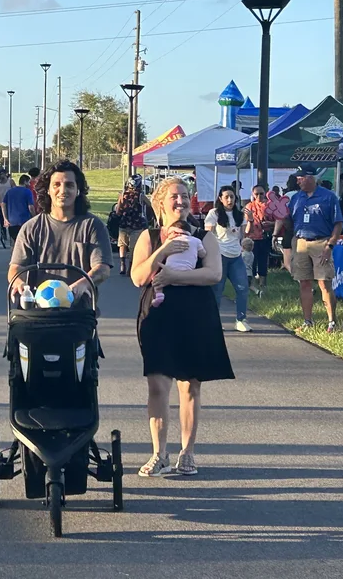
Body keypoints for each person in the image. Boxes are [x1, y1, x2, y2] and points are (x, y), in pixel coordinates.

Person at [130, 177, 232, 478]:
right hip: (158, 313)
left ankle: (187, 452)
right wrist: (163, 251)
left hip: (196, 312)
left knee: (190, 385)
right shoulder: (149, 236)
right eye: (174, 196)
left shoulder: (205, 235)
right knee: (158, 384)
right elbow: (138, 276)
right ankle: (158, 454)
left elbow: (213, 273)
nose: (181, 202)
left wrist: (173, 276)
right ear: (160, 202)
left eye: (186, 196)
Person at [7, 159, 111, 305]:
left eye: (69, 185)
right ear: (48, 190)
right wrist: (19, 283)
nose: (63, 190)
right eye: (56, 185)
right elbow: (16, 267)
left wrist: (83, 283)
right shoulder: (31, 227)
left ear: (78, 190)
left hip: (78, 309)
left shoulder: (93, 226)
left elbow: (102, 269)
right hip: (37, 312)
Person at [280, 167, 343, 332]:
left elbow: (338, 223)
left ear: (311, 177)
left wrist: (330, 245)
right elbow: (290, 220)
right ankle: (307, 321)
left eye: (301, 177)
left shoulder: (328, 197)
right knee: (304, 282)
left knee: (324, 282)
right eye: (297, 178)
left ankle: (332, 322)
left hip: (321, 241)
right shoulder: (296, 198)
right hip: (301, 242)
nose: (298, 180)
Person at [205, 186, 250, 333]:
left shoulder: (240, 215)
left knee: (243, 288)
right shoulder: (214, 213)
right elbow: (208, 235)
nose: (229, 200)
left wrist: (251, 222)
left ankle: (241, 320)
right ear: (220, 198)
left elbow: (243, 236)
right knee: (217, 290)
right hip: (220, 255)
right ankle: (214, 321)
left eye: (232, 196)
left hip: (236, 256)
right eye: (226, 197)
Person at [242, 185, 273, 295]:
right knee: (252, 261)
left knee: (263, 260)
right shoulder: (249, 206)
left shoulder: (270, 206)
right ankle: (253, 284)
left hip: (265, 236)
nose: (259, 196)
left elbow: (278, 221)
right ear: (253, 195)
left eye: (261, 193)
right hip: (252, 238)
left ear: (265, 193)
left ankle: (263, 283)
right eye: (256, 194)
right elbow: (245, 224)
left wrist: (271, 224)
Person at [114, 183, 150, 276]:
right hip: (136, 224)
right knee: (133, 247)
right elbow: (150, 205)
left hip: (124, 223)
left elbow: (118, 210)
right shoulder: (141, 196)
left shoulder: (122, 195)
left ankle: (122, 265)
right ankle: (130, 267)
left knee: (122, 245)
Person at [2, 174, 35, 242]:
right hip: (24, 221)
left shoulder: (10, 191)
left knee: (14, 242)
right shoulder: (27, 191)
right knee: (25, 242)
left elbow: (3, 204)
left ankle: (13, 253)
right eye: (28, 182)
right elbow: (31, 207)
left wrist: (5, 218)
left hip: (12, 221)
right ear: (25, 182)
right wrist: (35, 217)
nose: (29, 184)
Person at [0, 169, 14, 248]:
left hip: (9, 203)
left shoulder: (10, 182)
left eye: (3, 174)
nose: (1, 176)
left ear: (5, 174)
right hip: (0, 204)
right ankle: (4, 235)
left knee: (11, 219)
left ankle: (11, 234)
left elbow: (15, 190)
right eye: (0, 174)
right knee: (2, 220)